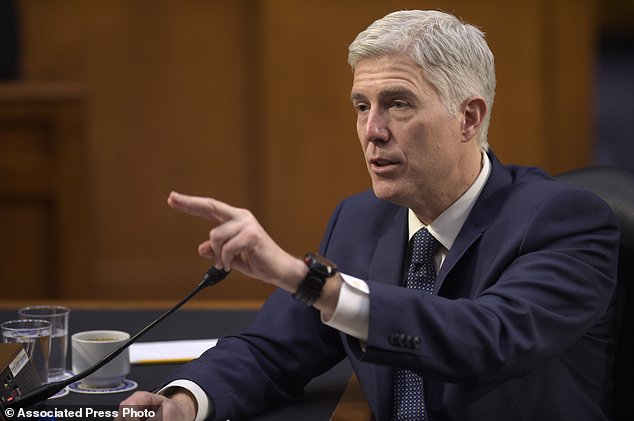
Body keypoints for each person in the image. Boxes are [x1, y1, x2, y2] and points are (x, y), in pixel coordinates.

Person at [118, 9, 619, 421]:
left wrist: (308, 279)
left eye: (398, 104)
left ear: (469, 118)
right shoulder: (360, 220)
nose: (371, 130)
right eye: (362, 106)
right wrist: (183, 403)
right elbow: (273, 349)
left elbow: (488, 337)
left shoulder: (564, 220)